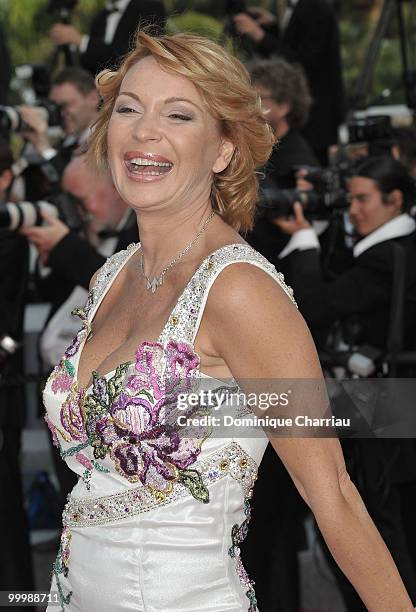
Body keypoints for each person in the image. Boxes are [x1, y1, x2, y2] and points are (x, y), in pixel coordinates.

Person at [42, 30, 415, 612]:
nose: (144, 131)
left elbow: (334, 494)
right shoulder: (111, 276)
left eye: (179, 114)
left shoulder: (239, 291)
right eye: (129, 108)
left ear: (223, 151)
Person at [275, 155, 416, 609]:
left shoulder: (384, 259)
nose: (352, 209)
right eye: (349, 198)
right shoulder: (396, 249)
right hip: (393, 405)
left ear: (395, 200)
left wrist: (302, 241)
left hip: (383, 409)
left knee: (377, 527)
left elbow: (314, 305)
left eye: (362, 199)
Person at [22, 154, 138, 509]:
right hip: (61, 403)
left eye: (82, 199)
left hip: (109, 413)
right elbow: (51, 292)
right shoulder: (86, 231)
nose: (77, 210)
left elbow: (126, 297)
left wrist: (67, 249)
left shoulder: (142, 232)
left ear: (117, 189)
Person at [233, 0, 345, 163]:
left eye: (261, 98)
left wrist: (259, 35)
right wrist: (273, 27)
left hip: (314, 118)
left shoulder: (314, 6)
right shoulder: (299, 7)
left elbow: (304, 62)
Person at [0, 139, 35, 609]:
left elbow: (9, 328)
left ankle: (18, 598)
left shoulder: (11, 239)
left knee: (5, 502)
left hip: (4, 387)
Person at [246, 56, 318, 262]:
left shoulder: (298, 160)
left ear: (284, 107)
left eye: (258, 99)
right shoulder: (260, 146)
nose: (249, 108)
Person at [19, 68, 100, 198]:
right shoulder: (64, 142)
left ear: (93, 98)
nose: (60, 114)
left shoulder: (107, 140)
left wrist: (44, 148)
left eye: (66, 105)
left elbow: (74, 188)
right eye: (54, 107)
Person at [49, 0, 166, 76]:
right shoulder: (100, 17)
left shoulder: (150, 6)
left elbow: (135, 55)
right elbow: (91, 64)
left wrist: (81, 41)